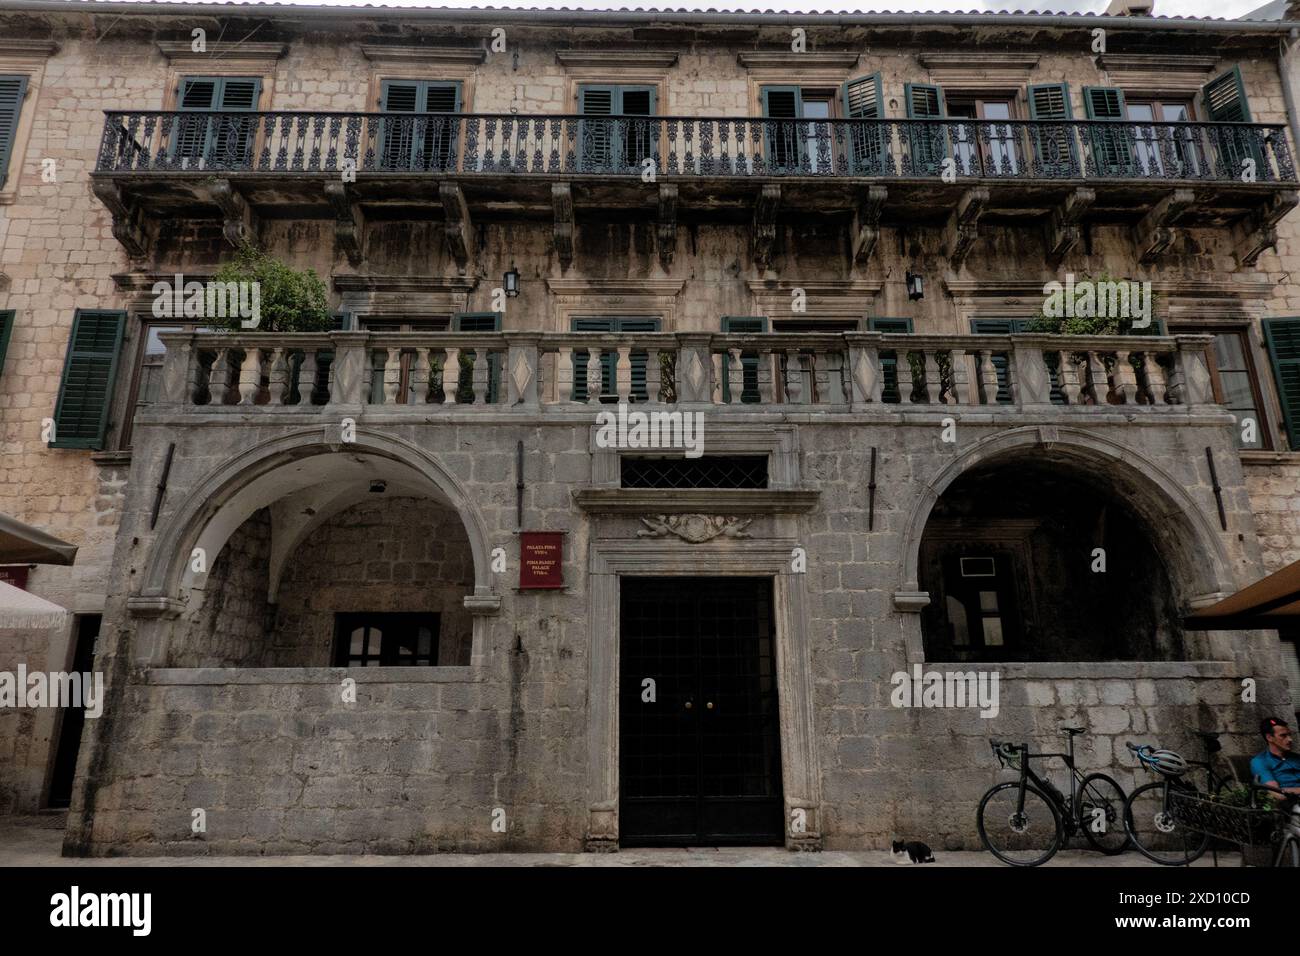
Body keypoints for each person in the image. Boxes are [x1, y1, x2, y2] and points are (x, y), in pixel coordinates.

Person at [1250, 717, 1300, 797]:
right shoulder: (1260, 762)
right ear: (1269, 737)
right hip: (1289, 805)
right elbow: (1277, 794)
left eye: (1289, 735)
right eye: (1283, 736)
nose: (1290, 739)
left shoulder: (1297, 758)